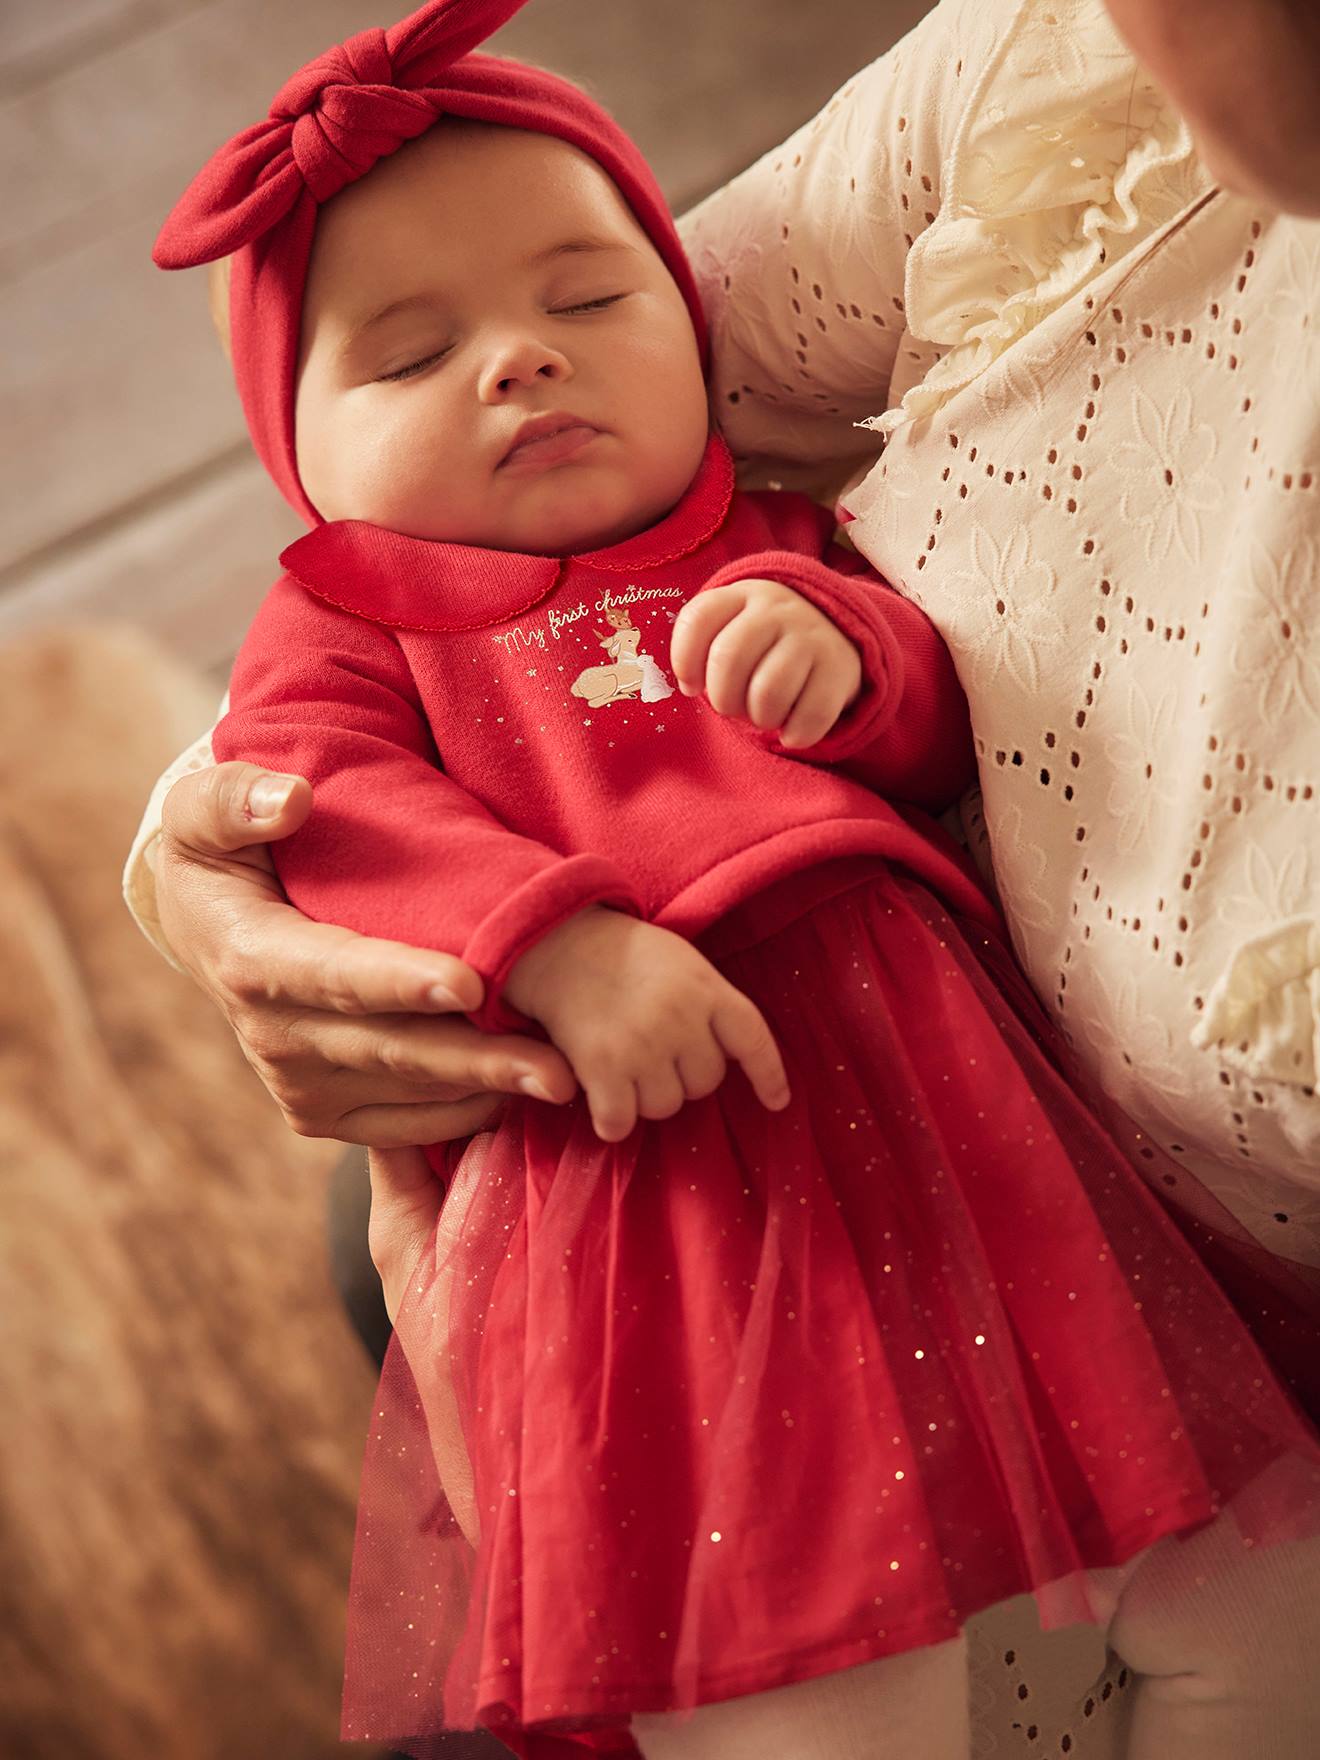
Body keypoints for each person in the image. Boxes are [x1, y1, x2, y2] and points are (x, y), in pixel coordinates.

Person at [124, 0, 1320, 1754]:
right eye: (405, 356)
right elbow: (309, 792)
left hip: (968, 1157)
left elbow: (926, 697)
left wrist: (855, 660)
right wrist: (545, 946)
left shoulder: (755, 536)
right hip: (656, 1213)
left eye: (587, 305)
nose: (523, 360)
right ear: (300, 475)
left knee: (1213, 1584)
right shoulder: (351, 620)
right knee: (812, 1648)